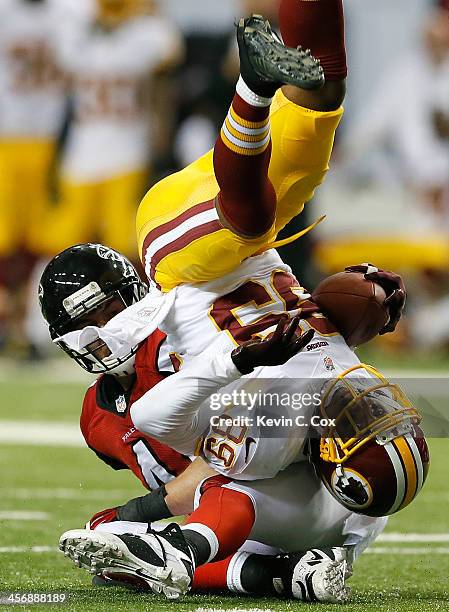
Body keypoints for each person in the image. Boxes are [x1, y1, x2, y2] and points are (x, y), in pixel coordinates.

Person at [39, 243, 394, 604]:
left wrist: (134, 512)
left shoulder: (189, 343)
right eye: (86, 327)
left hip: (304, 489)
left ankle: (271, 571)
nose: (104, 333)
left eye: (112, 314)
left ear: (136, 300)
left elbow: (224, 459)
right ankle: (285, 573)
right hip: (227, 521)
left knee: (219, 485)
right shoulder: (96, 417)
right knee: (105, 544)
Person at [47, 0, 183, 259]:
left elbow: (172, 51)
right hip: (90, 155)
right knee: (68, 246)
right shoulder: (141, 36)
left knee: (125, 247)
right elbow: (171, 47)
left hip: (120, 154)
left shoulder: (135, 36)